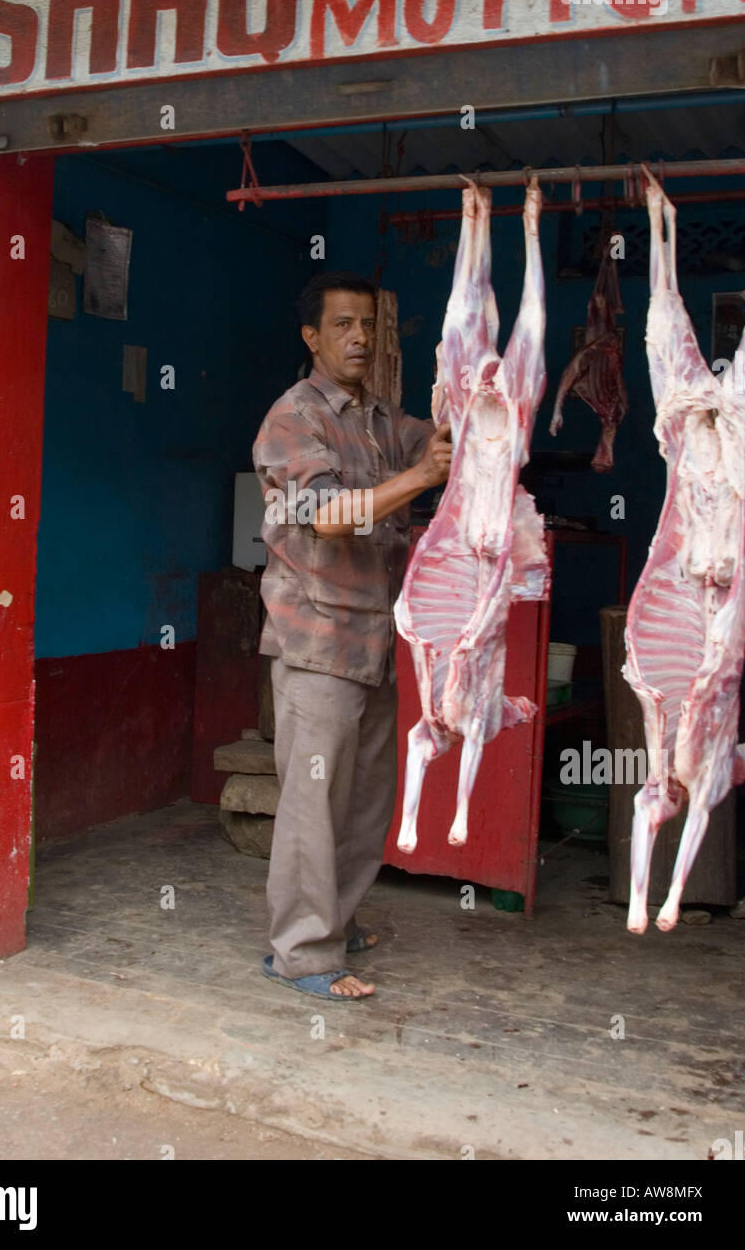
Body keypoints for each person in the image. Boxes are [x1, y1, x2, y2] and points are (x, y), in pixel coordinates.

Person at [252, 271, 452, 1000]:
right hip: (318, 641)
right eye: (343, 325)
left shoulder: (377, 418)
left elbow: (432, 441)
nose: (360, 338)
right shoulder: (293, 418)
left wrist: (469, 416)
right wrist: (420, 478)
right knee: (314, 800)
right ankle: (301, 953)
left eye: (368, 324)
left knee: (365, 797)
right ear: (313, 337)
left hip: (378, 638)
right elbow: (329, 513)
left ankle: (336, 916)